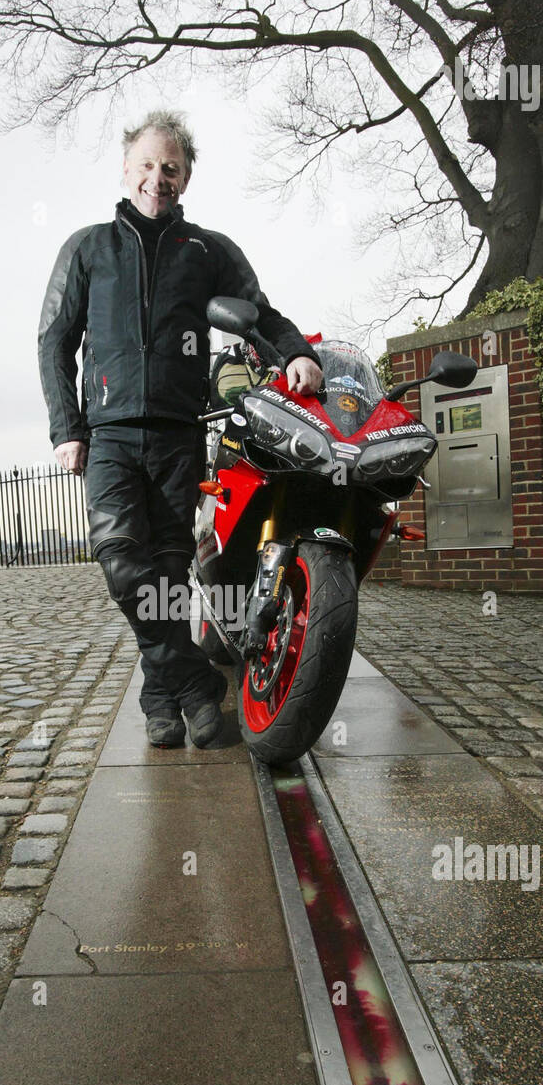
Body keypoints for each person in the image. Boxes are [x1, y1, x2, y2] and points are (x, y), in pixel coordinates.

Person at [38, 110, 322, 749]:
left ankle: (157, 695)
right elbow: (54, 341)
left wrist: (296, 353)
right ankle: (196, 685)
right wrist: (67, 425)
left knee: (168, 569)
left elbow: (261, 314)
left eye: (170, 168)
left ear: (186, 177)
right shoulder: (87, 248)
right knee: (121, 561)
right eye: (147, 165)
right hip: (108, 434)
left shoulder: (208, 250)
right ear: (126, 167)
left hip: (177, 432)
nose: (157, 178)